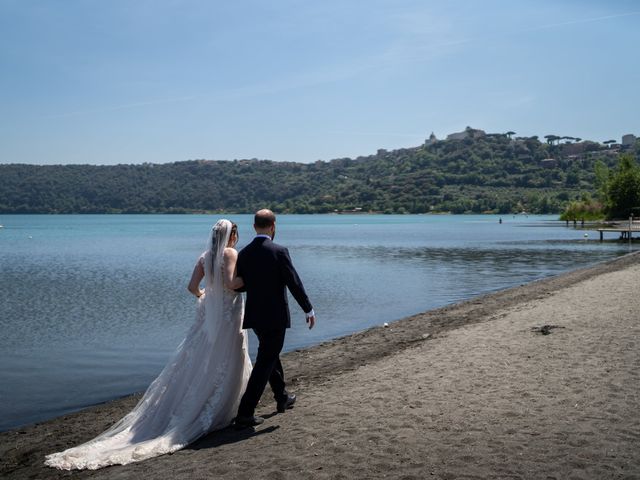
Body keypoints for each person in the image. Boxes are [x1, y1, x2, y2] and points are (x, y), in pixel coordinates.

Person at [45, 219, 251, 470]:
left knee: (198, 357)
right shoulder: (230, 253)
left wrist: (205, 297)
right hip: (227, 313)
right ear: (231, 236)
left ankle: (199, 401)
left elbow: (191, 287)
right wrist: (251, 278)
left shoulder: (204, 256)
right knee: (226, 356)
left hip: (208, 313)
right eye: (235, 235)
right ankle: (220, 407)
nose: (235, 239)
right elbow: (231, 283)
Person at [234, 209, 315, 427]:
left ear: (254, 227)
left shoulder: (244, 253)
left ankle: (282, 397)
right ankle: (245, 412)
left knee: (270, 355)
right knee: (266, 360)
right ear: (273, 226)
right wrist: (308, 309)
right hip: (275, 316)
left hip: (255, 317)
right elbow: (293, 282)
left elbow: (241, 286)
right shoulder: (279, 251)